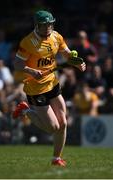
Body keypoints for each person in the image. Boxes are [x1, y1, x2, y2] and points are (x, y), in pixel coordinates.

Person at [12, 10, 86, 167]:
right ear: (36, 25)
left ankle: (56, 159)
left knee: (63, 123)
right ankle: (25, 110)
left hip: (52, 83)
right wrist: (31, 71)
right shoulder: (28, 42)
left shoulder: (56, 37)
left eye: (50, 24)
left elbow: (67, 54)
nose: (47, 28)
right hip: (35, 89)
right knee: (53, 127)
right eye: (44, 25)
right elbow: (17, 64)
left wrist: (76, 62)